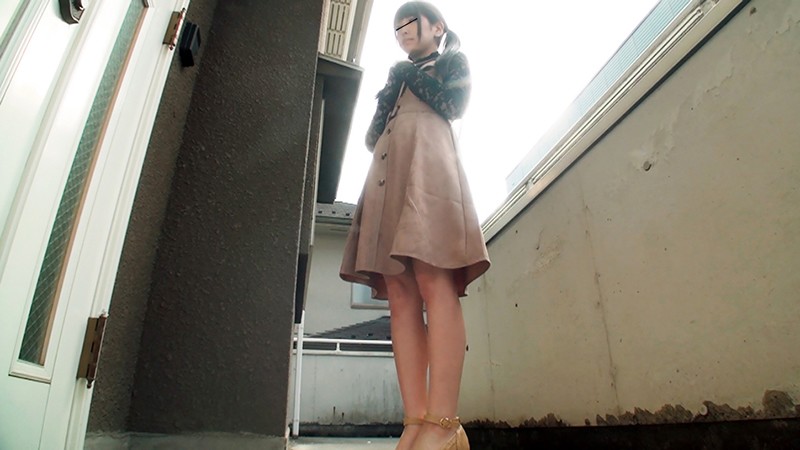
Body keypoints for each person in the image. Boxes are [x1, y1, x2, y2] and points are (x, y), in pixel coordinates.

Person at [340, 2, 490, 449]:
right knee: (400, 295)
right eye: (396, 26)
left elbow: (453, 104)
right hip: (387, 176)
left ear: (437, 28)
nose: (402, 30)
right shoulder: (397, 77)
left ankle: (444, 423)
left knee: (432, 281)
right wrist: (392, 86)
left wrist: (405, 74)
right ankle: (414, 421)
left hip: (430, 171)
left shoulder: (452, 61)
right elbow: (371, 136)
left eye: (410, 22)